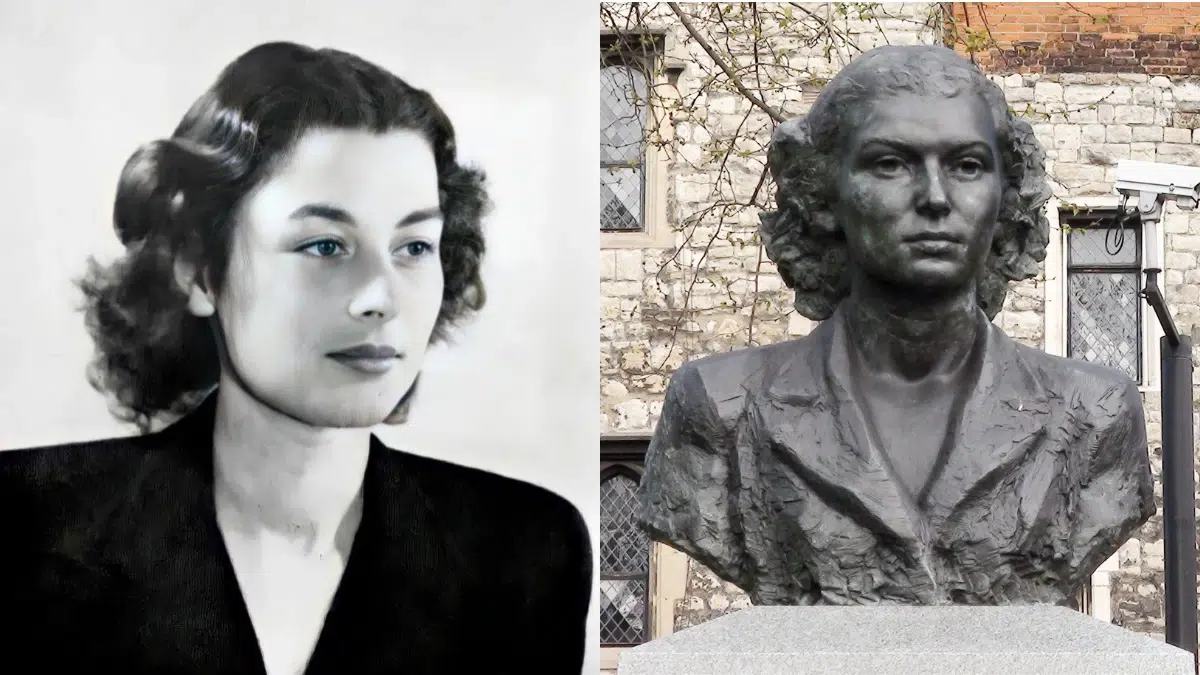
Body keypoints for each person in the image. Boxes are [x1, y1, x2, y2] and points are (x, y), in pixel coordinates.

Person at [0, 42, 590, 674]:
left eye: (415, 247)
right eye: (325, 245)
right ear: (199, 269)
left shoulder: (526, 552)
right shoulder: (20, 526)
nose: (380, 298)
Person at [637, 45, 1154, 607]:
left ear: (1005, 197)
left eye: (968, 166)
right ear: (824, 193)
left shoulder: (1096, 413)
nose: (935, 198)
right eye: (890, 163)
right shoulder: (718, 407)